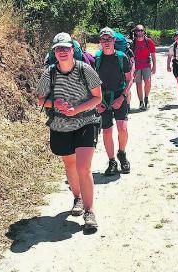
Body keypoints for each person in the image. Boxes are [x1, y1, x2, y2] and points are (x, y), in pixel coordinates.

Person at [37, 32, 103, 231]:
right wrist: (55, 104)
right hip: (61, 125)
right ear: (54, 52)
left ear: (73, 50)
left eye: (66, 48)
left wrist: (77, 109)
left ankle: (90, 212)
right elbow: (41, 100)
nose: (62, 52)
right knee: (70, 165)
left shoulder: (86, 70)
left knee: (83, 167)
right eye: (58, 49)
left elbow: (97, 98)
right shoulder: (49, 73)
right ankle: (78, 198)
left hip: (86, 122)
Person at [94, 27, 133, 176]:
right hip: (103, 98)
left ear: (114, 40)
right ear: (100, 42)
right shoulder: (97, 59)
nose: (106, 42)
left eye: (109, 39)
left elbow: (130, 79)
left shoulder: (122, 57)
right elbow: (91, 83)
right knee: (107, 130)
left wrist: (122, 97)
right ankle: (112, 161)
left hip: (119, 95)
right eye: (103, 39)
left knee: (122, 128)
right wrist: (97, 102)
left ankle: (122, 154)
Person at [131, 24, 156, 110]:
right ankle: (141, 102)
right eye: (138, 30)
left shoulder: (148, 41)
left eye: (141, 30)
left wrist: (154, 66)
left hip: (146, 64)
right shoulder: (132, 42)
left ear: (144, 31)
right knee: (138, 84)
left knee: (148, 82)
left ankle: (146, 99)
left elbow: (153, 55)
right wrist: (131, 69)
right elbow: (130, 56)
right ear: (135, 32)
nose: (140, 32)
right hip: (136, 66)